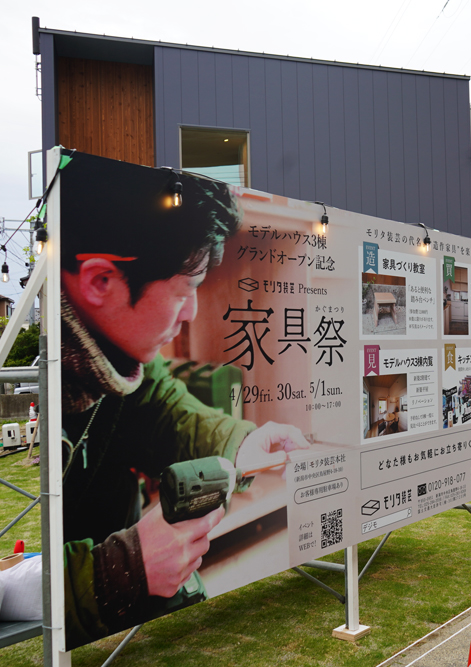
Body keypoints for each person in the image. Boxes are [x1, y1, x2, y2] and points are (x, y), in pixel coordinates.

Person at [59, 152, 309, 648]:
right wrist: (117, 572)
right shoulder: (44, 380)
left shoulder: (120, 360)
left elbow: (166, 412)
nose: (192, 313)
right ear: (100, 282)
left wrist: (245, 444)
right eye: (184, 288)